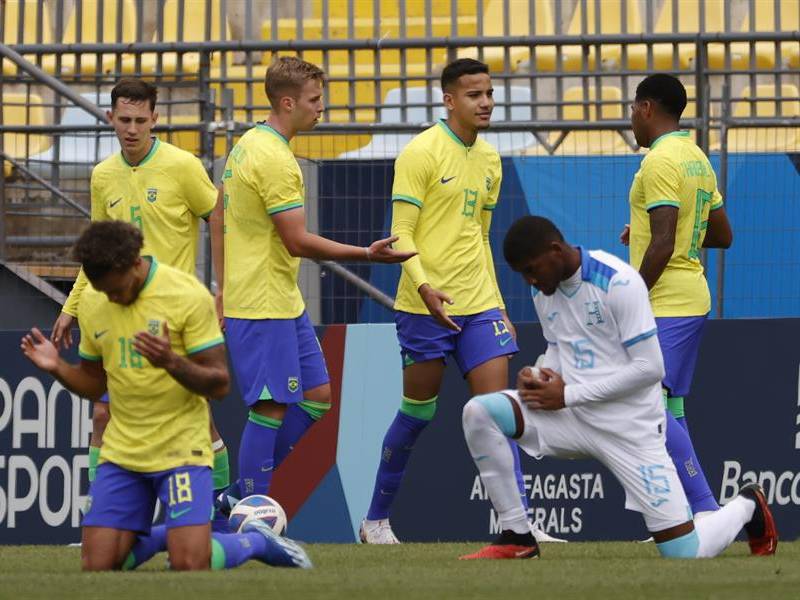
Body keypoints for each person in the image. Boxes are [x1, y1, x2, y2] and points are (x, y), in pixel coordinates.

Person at [459, 216, 775, 560]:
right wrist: (540, 373)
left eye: (532, 270)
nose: (530, 280)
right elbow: (557, 347)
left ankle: (747, 505)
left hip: (631, 428)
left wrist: (567, 394)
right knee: (480, 412)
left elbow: (650, 368)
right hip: (572, 417)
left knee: (686, 553)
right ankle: (517, 536)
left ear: (555, 250)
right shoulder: (543, 291)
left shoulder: (619, 282)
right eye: (523, 274)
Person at [22, 221, 312, 570]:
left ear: (134, 264)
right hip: (123, 453)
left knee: (189, 563)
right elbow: (95, 384)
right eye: (104, 292)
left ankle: (254, 541)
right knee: (98, 566)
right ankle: (170, 536)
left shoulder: (186, 296)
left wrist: (171, 361)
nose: (112, 298)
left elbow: (219, 384)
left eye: (117, 290)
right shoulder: (96, 302)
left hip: (181, 451)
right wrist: (58, 368)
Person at [361, 58, 560, 545]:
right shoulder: (421, 153)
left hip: (479, 305)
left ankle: (520, 526)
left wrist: (500, 307)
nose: (486, 102)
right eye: (474, 95)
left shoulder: (490, 160)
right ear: (449, 100)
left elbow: (479, 238)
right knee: (417, 414)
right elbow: (400, 233)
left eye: (490, 93)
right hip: (423, 304)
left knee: (499, 411)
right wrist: (426, 289)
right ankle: (375, 521)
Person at [213, 56, 413, 511]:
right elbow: (297, 241)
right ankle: (252, 508)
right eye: (315, 99)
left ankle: (238, 497)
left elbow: (220, 216)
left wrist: (223, 287)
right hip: (263, 303)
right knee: (270, 407)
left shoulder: (247, 144)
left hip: (279, 299)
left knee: (318, 397)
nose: (322, 107)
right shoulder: (275, 159)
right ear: (288, 102)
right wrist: (365, 253)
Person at [49, 77, 233, 526]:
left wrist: (223, 289)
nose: (131, 129)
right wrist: (72, 305)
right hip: (118, 311)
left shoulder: (182, 166)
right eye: (123, 119)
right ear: (110, 118)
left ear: (155, 118)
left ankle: (223, 506)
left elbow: (218, 214)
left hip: (174, 313)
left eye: (140, 120)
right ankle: (100, 518)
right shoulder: (103, 175)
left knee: (196, 416)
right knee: (103, 413)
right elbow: (97, 249)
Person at [622, 74, 733, 518]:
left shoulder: (659, 161)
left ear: (647, 108)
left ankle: (706, 511)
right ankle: (685, 516)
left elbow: (665, 243)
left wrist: (629, 298)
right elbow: (721, 234)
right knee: (669, 407)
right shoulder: (696, 158)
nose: (631, 117)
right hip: (689, 297)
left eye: (633, 107)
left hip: (667, 303)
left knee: (647, 405)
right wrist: (657, 231)